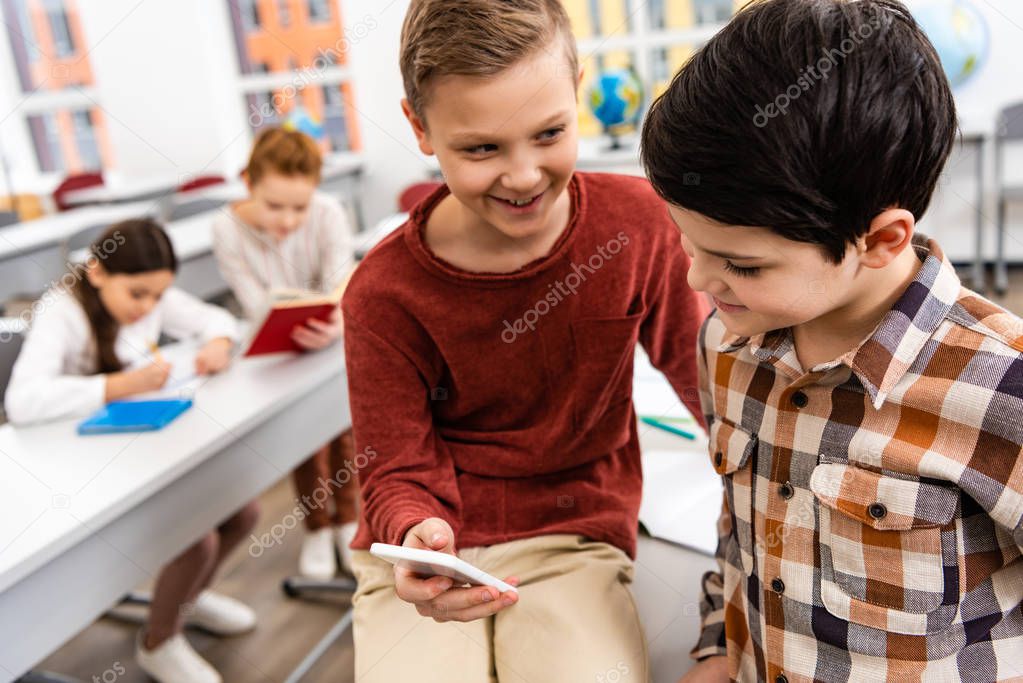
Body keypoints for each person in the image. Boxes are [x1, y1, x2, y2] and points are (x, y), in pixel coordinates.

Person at [639, 1, 1023, 680]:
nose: (698, 277)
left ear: (879, 241)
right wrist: (714, 647)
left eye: (741, 263)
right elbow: (739, 535)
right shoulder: (726, 346)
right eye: (686, 242)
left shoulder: (1000, 382)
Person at [340, 1, 710, 681]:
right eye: (481, 147)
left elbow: (712, 389)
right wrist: (415, 531)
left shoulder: (638, 227)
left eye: (548, 133)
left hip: (570, 534)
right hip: (425, 545)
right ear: (419, 128)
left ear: (575, 95)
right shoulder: (381, 291)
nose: (521, 176)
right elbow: (393, 465)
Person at [5, 219, 259, 683]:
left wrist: (220, 342)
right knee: (195, 535)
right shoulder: (60, 310)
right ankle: (158, 643)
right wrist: (118, 385)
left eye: (159, 297)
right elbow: (22, 402)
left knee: (242, 512)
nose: (149, 308)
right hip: (74, 467)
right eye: (138, 295)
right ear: (98, 273)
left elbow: (215, 318)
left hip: (139, 449)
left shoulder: (150, 296)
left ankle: (187, 596)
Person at [212, 127, 360, 580]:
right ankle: (317, 526)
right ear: (248, 183)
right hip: (275, 347)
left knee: (345, 432)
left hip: (332, 336)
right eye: (274, 205)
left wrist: (335, 317)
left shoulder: (330, 212)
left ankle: (350, 523)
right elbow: (254, 301)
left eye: (300, 206)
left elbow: (341, 278)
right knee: (304, 439)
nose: (289, 220)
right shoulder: (225, 228)